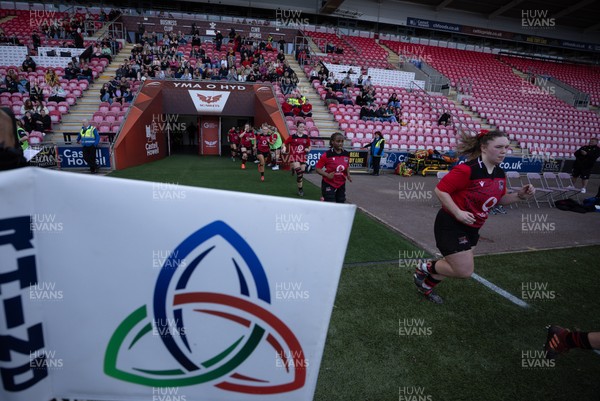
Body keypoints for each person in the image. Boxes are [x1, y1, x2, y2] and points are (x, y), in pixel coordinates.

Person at [413, 130, 536, 304]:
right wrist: (458, 212)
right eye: (499, 147)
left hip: (474, 226)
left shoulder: (500, 173)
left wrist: (520, 196)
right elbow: (440, 190)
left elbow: (498, 200)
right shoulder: (467, 169)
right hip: (452, 223)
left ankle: (425, 286)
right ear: (484, 148)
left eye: (506, 147)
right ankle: (423, 267)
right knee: (463, 270)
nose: (504, 151)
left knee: (454, 266)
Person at [315, 132, 352, 203]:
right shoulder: (327, 155)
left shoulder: (346, 154)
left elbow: (347, 165)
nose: (340, 143)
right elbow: (318, 168)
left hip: (341, 183)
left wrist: (348, 175)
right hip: (329, 183)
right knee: (330, 203)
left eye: (342, 141)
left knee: (341, 202)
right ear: (332, 142)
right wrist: (327, 175)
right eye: (338, 141)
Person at [283, 122, 311, 197]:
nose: (302, 128)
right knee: (299, 173)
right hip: (294, 157)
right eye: (301, 127)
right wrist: (284, 147)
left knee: (301, 173)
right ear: (297, 127)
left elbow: (309, 146)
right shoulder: (292, 137)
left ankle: (293, 168)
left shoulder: (306, 137)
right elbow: (284, 143)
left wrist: (308, 149)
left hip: (302, 157)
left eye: (303, 127)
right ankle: (300, 189)